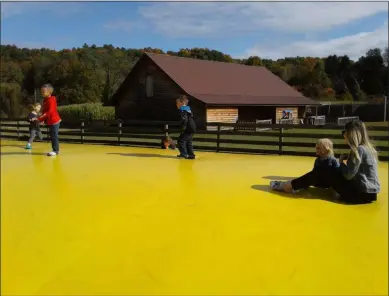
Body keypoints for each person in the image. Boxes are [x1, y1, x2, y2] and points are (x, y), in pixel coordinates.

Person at [271, 120, 380, 204]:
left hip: (358, 195)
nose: (343, 135)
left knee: (321, 171)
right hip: (370, 194)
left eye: (344, 132)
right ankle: (297, 184)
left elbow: (348, 175)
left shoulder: (359, 150)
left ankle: (289, 186)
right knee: (322, 173)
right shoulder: (368, 149)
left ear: (351, 134)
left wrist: (341, 161)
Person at [270, 138, 339, 193]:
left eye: (318, 148)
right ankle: (285, 184)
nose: (316, 150)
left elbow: (338, 174)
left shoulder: (332, 160)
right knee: (306, 178)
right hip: (318, 182)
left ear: (326, 149)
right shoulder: (318, 160)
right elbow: (313, 173)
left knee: (309, 177)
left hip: (327, 182)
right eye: (316, 148)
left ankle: (286, 185)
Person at [32, 84, 61, 156]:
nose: (42, 93)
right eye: (41, 91)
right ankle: (55, 150)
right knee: (52, 135)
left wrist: (39, 118)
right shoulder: (45, 100)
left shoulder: (52, 100)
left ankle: (56, 150)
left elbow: (50, 112)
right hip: (50, 121)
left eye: (43, 91)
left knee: (54, 135)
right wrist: (43, 120)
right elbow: (45, 112)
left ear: (49, 92)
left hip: (55, 121)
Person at [176, 95, 196, 159]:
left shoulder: (183, 110)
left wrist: (183, 128)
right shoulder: (188, 109)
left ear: (182, 103)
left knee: (181, 140)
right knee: (188, 141)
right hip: (192, 127)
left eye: (177, 103)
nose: (176, 105)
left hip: (188, 128)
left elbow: (184, 120)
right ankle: (191, 155)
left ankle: (184, 154)